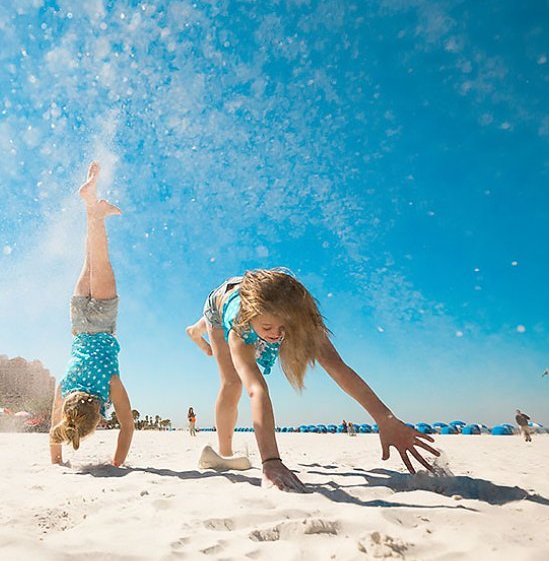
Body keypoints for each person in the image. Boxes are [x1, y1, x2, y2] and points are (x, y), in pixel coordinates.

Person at [186, 269, 439, 491]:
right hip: (220, 305)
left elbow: (338, 368)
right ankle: (225, 452)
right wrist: (271, 461)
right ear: (251, 318)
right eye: (267, 329)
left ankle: (197, 329)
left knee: (259, 331)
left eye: (283, 328)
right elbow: (257, 390)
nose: (276, 335)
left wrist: (385, 419)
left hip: (249, 294)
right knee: (233, 382)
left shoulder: (298, 318)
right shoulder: (239, 330)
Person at [50, 162, 135, 466]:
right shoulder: (65, 385)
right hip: (78, 321)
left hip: (100, 323)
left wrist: (117, 464)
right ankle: (90, 204)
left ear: (98, 415)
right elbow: (53, 431)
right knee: (90, 258)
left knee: (100, 258)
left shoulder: (108, 383)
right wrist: (56, 461)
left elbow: (128, 426)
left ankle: (93, 207)